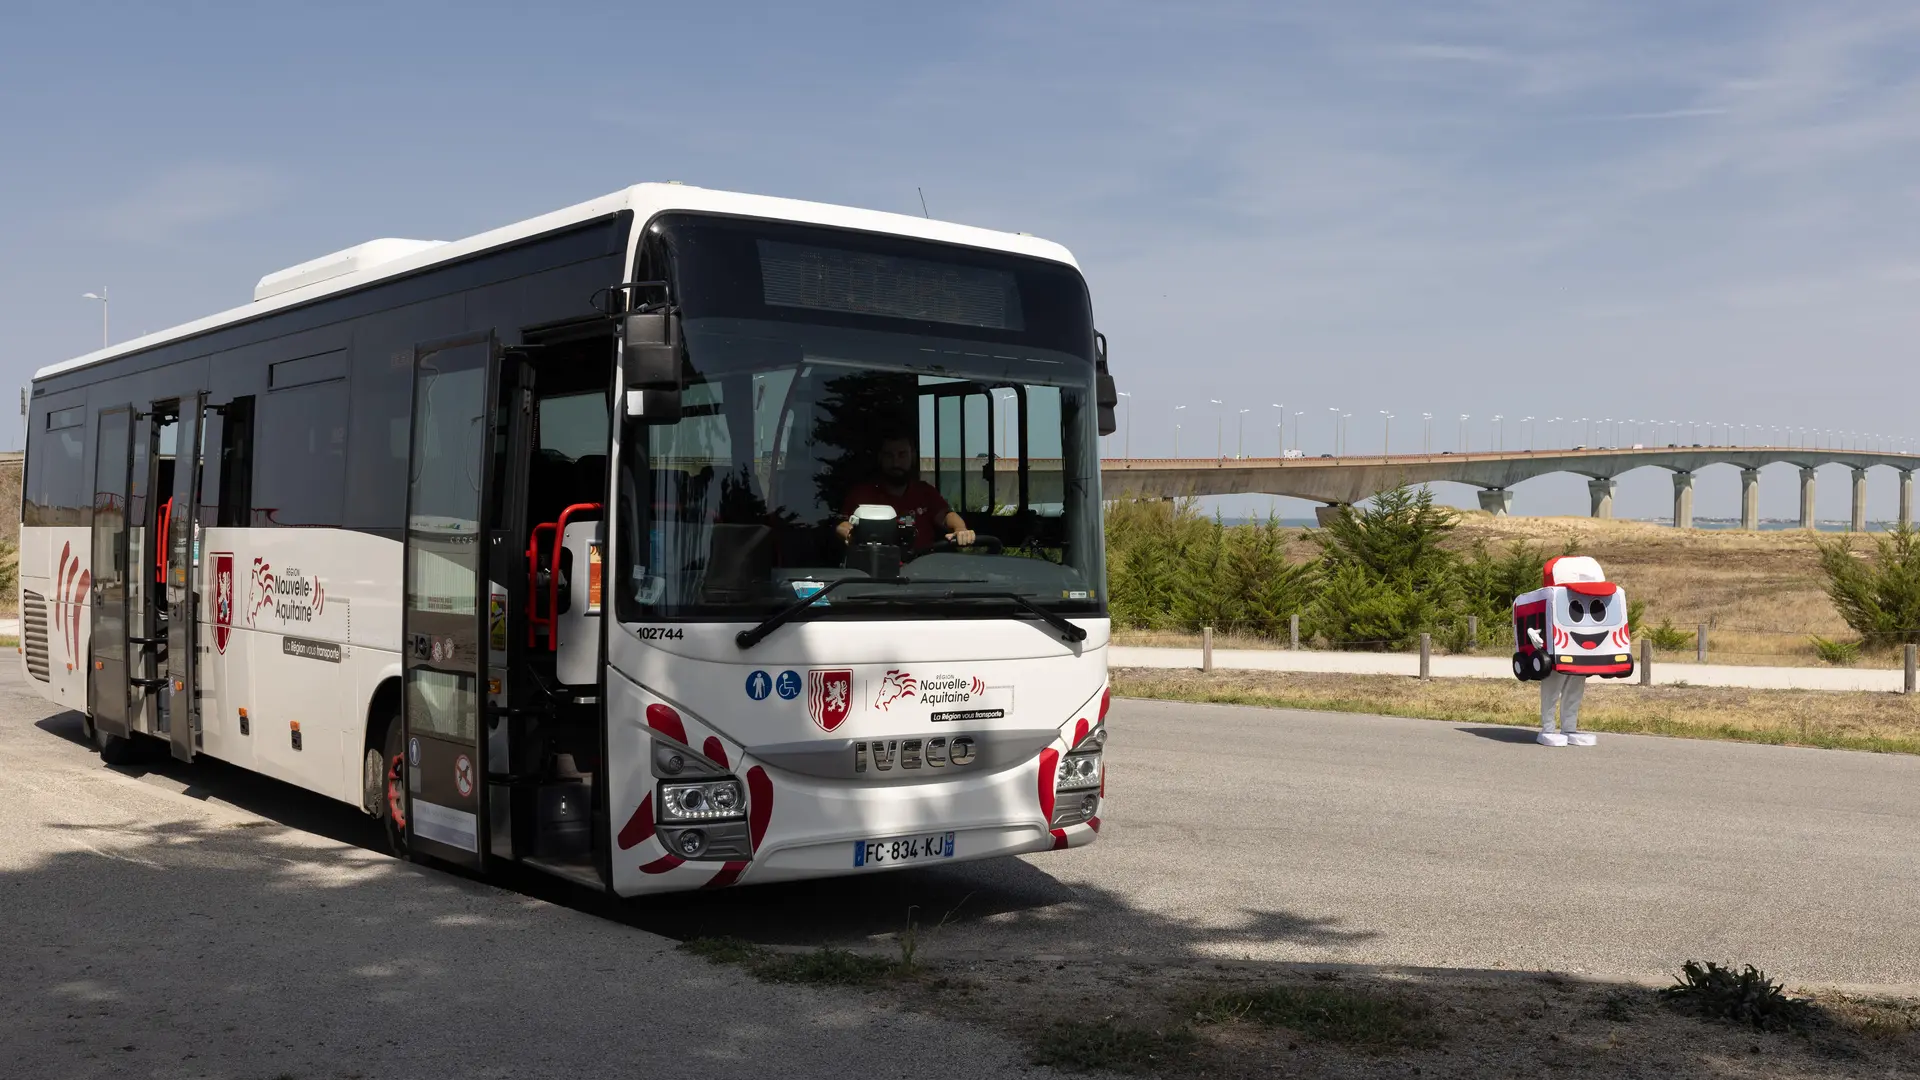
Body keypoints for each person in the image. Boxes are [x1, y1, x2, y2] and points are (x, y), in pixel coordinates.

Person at [835, 433, 976, 550]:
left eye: (902, 455)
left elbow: (946, 515)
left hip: (924, 569)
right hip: (875, 568)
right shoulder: (862, 494)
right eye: (889, 455)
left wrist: (960, 530)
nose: (896, 463)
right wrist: (849, 534)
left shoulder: (925, 492)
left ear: (912, 456)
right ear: (880, 458)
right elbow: (842, 525)